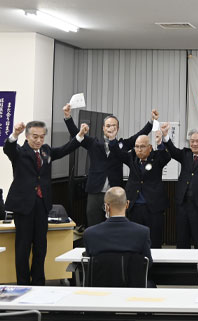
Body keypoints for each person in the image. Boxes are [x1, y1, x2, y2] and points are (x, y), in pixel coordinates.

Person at [3, 119, 89, 285]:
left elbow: (64, 150)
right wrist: (15, 133)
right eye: (35, 136)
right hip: (24, 206)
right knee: (23, 247)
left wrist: (80, 135)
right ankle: (23, 283)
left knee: (41, 247)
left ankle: (38, 282)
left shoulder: (46, 151)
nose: (38, 140)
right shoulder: (19, 152)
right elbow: (8, 148)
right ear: (27, 136)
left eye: (42, 137)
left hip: (42, 205)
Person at [63, 104, 156, 227]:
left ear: (118, 128)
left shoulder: (123, 144)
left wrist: (151, 121)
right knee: (94, 225)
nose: (110, 128)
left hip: (115, 193)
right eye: (108, 126)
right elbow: (77, 135)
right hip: (95, 192)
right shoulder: (93, 143)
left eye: (113, 126)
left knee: (115, 227)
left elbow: (140, 135)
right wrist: (68, 117)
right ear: (103, 128)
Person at [110, 132, 170, 248]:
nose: (139, 150)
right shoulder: (131, 157)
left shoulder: (157, 157)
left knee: (154, 240)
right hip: (134, 206)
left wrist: (159, 142)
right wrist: (112, 139)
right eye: (137, 146)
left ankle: (153, 259)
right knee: (135, 239)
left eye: (142, 146)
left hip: (153, 207)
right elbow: (117, 153)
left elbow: (166, 157)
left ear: (150, 147)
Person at [83, 186, 152, 265]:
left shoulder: (90, 233)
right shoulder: (142, 232)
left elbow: (89, 262)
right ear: (127, 204)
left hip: (102, 273)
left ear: (106, 207)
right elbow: (148, 263)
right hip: (131, 273)